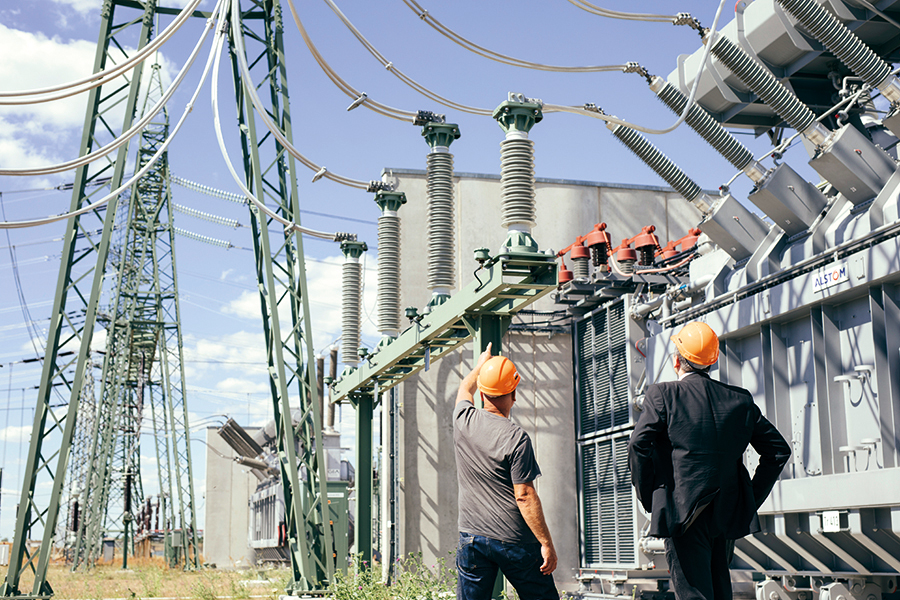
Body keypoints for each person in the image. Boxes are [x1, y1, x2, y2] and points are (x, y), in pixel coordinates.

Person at [628, 322, 791, 600]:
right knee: (718, 590)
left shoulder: (663, 395)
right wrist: (748, 498)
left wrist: (651, 498)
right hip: (726, 513)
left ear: (677, 359)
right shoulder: (739, 400)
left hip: (683, 514)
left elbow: (638, 445)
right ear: (711, 362)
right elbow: (777, 451)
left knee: (694, 593)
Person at [453, 343, 558, 600]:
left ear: (483, 392)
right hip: (514, 540)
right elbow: (523, 495)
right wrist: (546, 543)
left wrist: (480, 365)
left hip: (472, 537)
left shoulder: (463, 419)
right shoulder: (516, 438)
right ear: (513, 393)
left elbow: (464, 387)